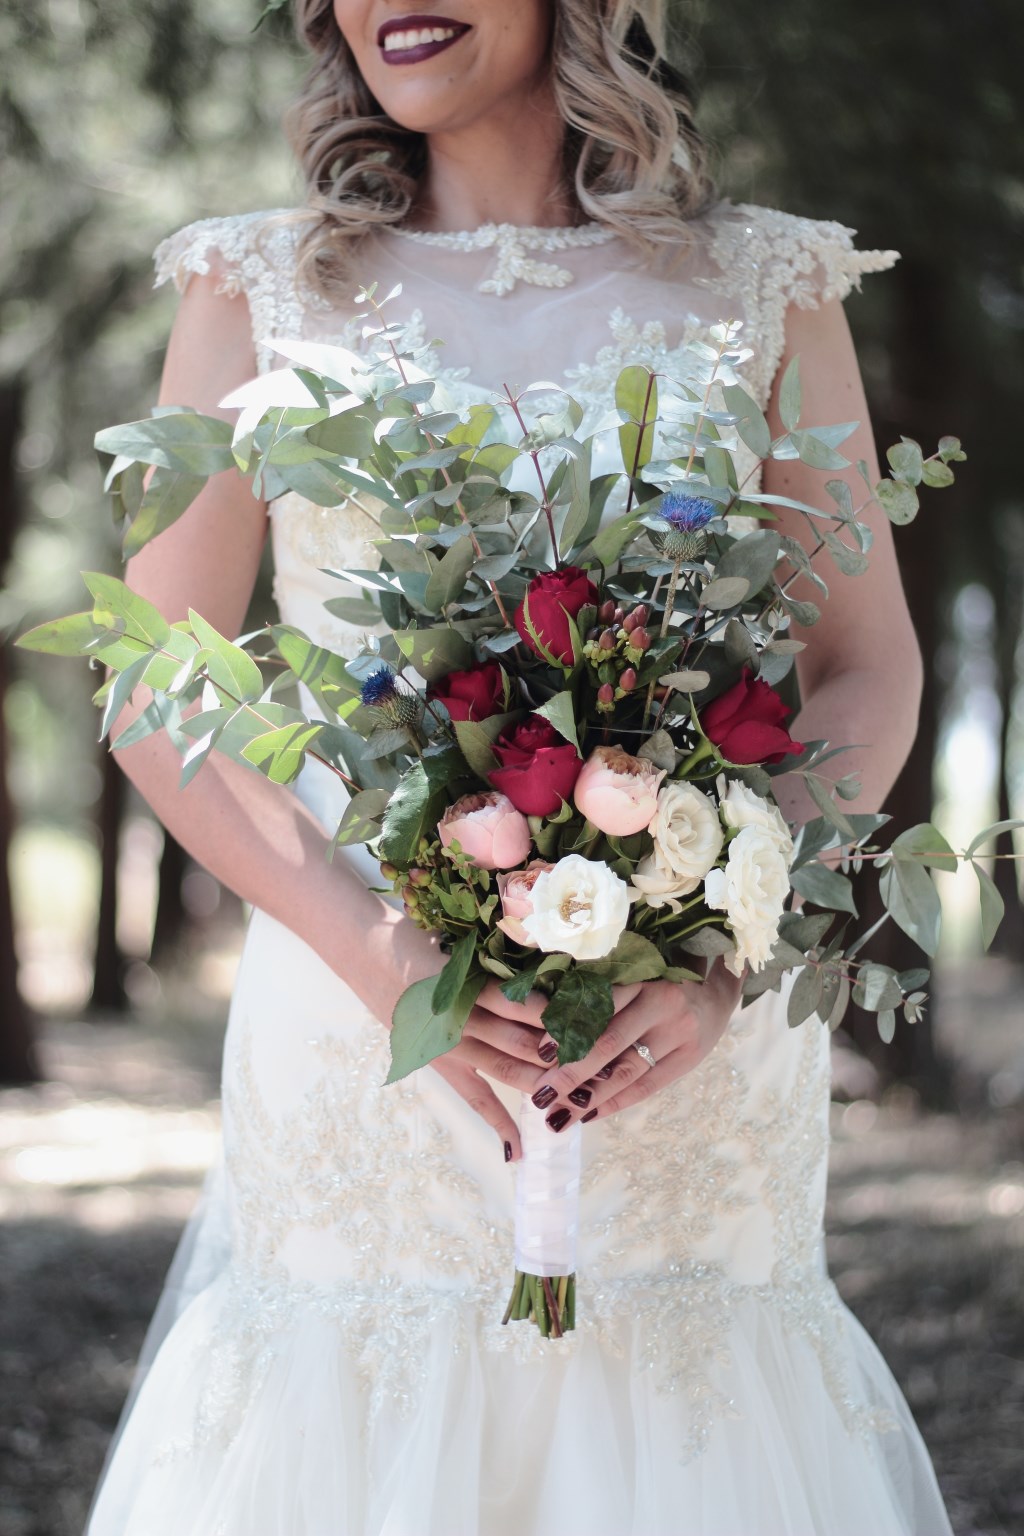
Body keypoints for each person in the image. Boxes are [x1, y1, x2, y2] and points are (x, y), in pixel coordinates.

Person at [83, 2, 953, 1532]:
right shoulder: (256, 286)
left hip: (680, 1037)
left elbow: (866, 660)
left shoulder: (762, 286)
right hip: (367, 1023)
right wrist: (380, 954)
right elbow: (163, 687)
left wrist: (731, 954)